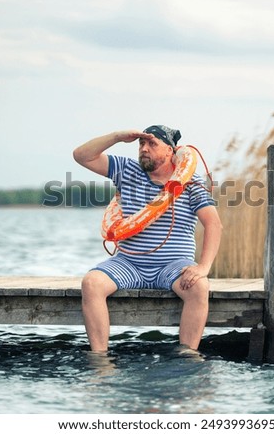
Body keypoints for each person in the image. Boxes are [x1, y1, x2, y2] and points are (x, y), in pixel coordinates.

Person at [73, 125, 222, 353]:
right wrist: (117, 137)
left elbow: (213, 224)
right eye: (142, 144)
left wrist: (204, 267)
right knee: (91, 283)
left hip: (173, 265)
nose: (144, 149)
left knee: (199, 287)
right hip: (129, 263)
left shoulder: (191, 182)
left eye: (152, 144)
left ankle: (187, 356)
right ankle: (101, 359)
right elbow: (81, 156)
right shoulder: (126, 170)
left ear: (170, 152)